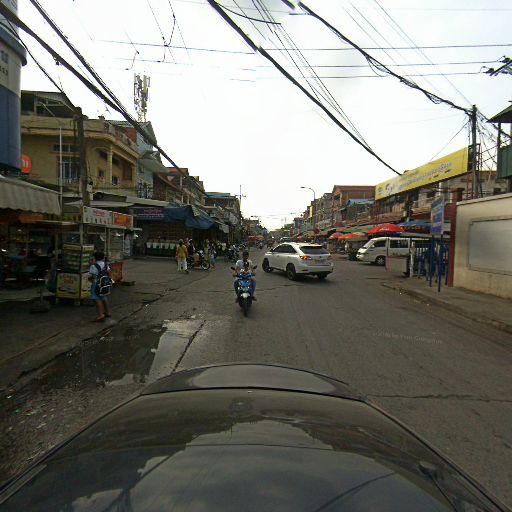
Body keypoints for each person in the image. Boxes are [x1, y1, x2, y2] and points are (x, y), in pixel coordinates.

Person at [89, 251, 112, 322]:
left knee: (96, 298)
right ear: (103, 257)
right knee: (104, 297)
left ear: (95, 257)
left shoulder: (93, 266)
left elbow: (93, 277)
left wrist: (90, 279)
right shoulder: (105, 264)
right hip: (104, 283)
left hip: (96, 284)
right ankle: (108, 312)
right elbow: (109, 273)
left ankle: (101, 315)